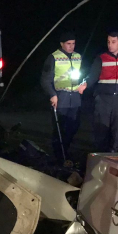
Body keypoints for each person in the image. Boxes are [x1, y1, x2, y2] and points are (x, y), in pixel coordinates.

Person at [87, 31, 118, 152]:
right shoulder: (101, 58)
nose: (110, 45)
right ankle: (99, 155)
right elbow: (92, 76)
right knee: (101, 129)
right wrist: (85, 84)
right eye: (108, 42)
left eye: (113, 42)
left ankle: (113, 155)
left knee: (117, 129)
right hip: (103, 98)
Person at [41, 32, 86, 163]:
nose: (71, 46)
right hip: (61, 96)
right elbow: (45, 79)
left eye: (73, 44)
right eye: (68, 44)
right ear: (62, 44)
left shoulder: (78, 56)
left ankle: (65, 150)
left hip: (75, 97)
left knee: (74, 126)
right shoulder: (53, 57)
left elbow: (82, 73)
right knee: (60, 128)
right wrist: (52, 94)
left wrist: (84, 83)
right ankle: (59, 156)